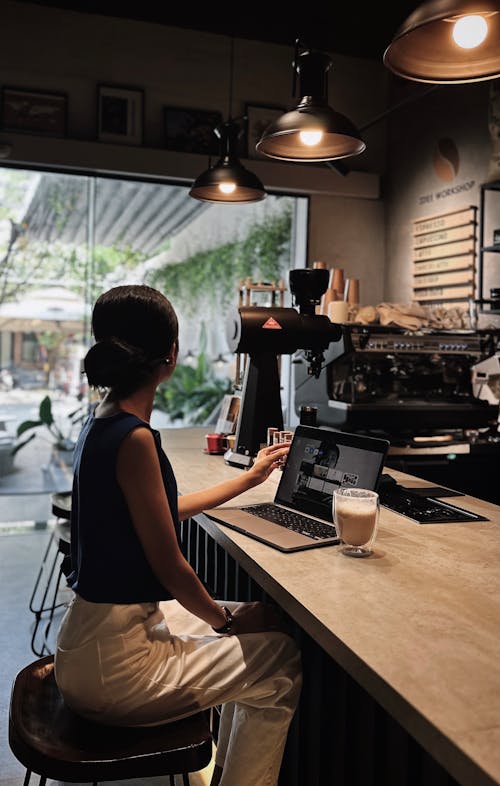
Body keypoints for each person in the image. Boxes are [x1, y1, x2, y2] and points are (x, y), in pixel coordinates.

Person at [54, 284, 302, 786]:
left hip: (84, 643)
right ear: (171, 354)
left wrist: (248, 480)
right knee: (280, 659)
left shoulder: (100, 422)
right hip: (115, 673)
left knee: (240, 626)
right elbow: (171, 565)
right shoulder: (137, 439)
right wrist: (226, 620)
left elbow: (157, 515)